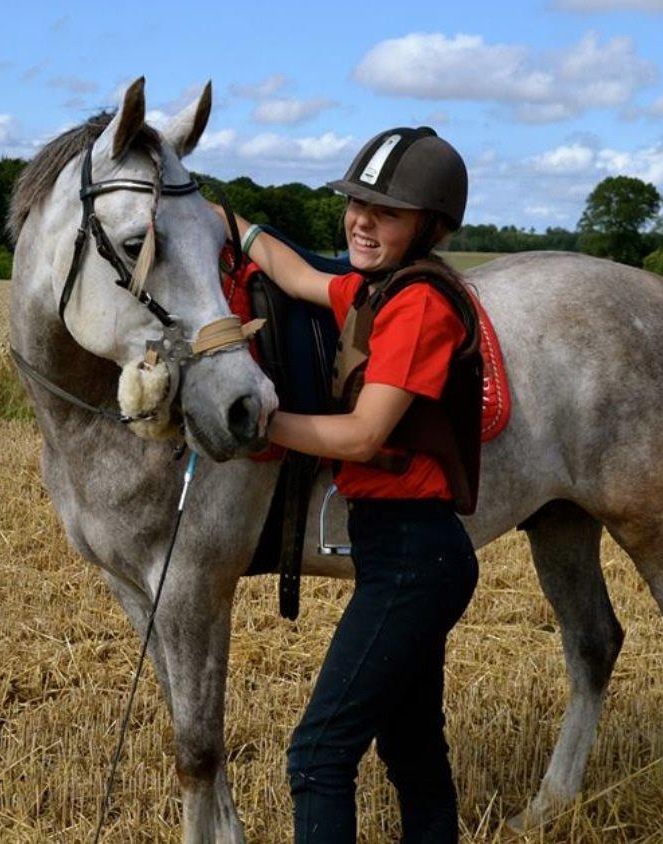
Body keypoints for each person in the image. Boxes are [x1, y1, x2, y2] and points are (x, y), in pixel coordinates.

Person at [210, 126, 481, 842]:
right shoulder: (373, 289)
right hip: (403, 553)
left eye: (385, 211)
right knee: (412, 749)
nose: (360, 220)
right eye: (355, 204)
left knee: (318, 755)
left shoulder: (418, 303)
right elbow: (296, 274)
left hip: (413, 560)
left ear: (429, 225)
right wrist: (222, 220)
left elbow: (363, 434)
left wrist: (255, 423)